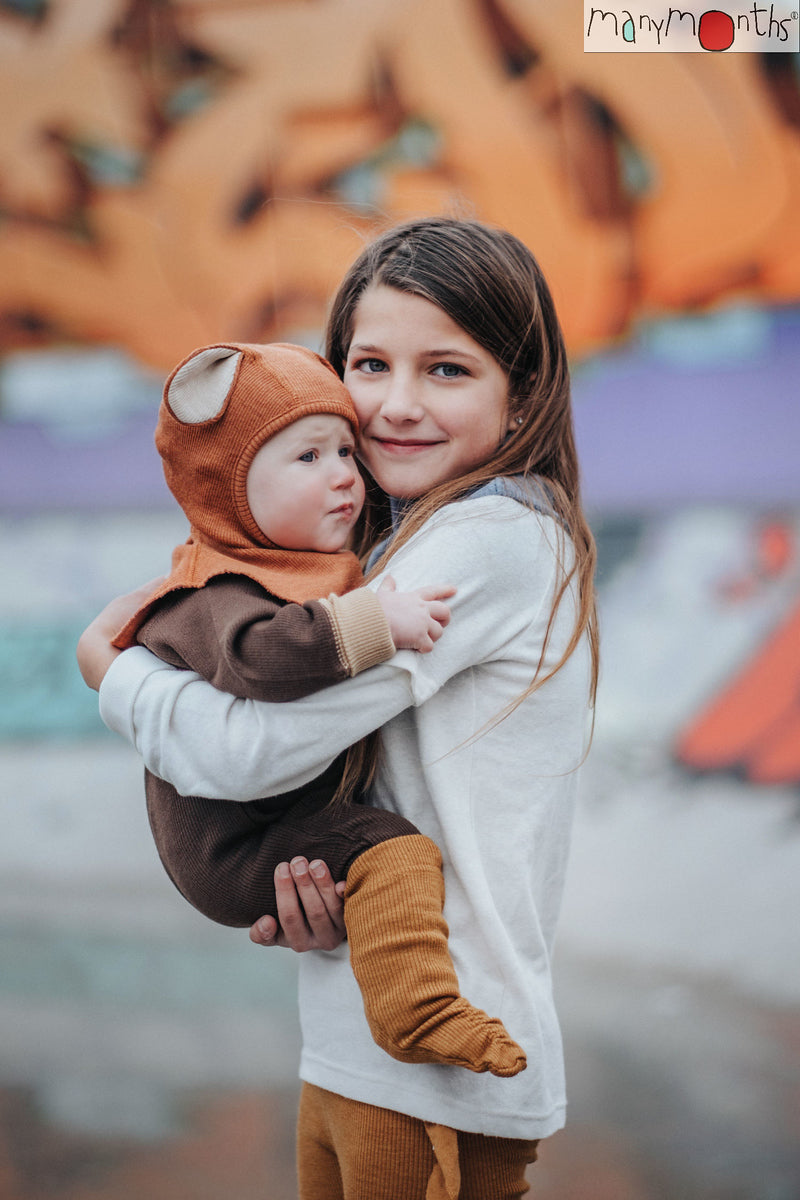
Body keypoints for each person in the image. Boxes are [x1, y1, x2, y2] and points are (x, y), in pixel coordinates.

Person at [78, 217, 599, 1200]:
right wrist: (316, 887)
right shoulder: (386, 543)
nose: (395, 406)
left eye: (446, 370)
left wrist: (114, 672)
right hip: (363, 1037)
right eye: (368, 364)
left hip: (443, 1058)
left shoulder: (486, 539)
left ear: (521, 390)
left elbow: (243, 757)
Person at [99, 339, 525, 1079]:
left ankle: (408, 997)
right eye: (308, 459)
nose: (344, 479)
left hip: (273, 824)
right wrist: (376, 624)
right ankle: (419, 1011)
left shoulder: (293, 565)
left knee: (380, 855)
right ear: (228, 490)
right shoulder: (217, 587)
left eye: (345, 453)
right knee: (394, 849)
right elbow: (261, 659)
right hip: (233, 844)